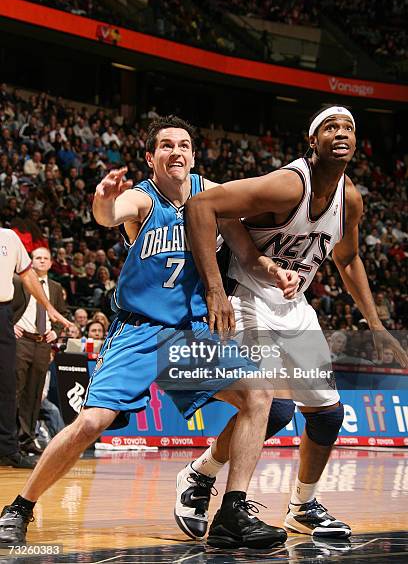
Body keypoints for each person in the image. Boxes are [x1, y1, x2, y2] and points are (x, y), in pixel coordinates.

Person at [0, 116, 298, 548]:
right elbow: (110, 214)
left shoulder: (211, 195)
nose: (175, 152)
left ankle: (231, 511)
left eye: (183, 145)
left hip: (189, 334)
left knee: (259, 395)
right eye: (165, 146)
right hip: (139, 332)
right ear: (150, 157)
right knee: (91, 423)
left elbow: (246, 253)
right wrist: (103, 200)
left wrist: (275, 270)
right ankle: (19, 509)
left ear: (193, 155)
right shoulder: (142, 198)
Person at [182, 105, 407, 539]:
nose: (340, 132)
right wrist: (213, 288)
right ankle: (203, 476)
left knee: (327, 415)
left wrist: (375, 324)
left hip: (293, 301)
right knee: (274, 407)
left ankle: (302, 507)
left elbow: (349, 258)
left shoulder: (351, 199)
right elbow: (201, 204)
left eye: (348, 127)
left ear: (356, 142)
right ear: (313, 141)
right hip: (244, 292)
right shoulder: (288, 184)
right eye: (330, 126)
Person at [0, 228, 70, 473]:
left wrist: (49, 308)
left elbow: (27, 275)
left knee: (8, 386)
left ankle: (9, 449)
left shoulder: (9, 237)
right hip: (18, 329)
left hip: (3, 313)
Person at [13, 247, 67, 455]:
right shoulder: (19, 282)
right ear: (30, 261)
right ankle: (9, 442)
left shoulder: (54, 287)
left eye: (45, 258)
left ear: (51, 263)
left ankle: (26, 440)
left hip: (43, 344)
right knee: (15, 391)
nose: (42, 261)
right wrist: (10, 325)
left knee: (34, 394)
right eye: (37, 258)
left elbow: (62, 313)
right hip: (22, 340)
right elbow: (6, 306)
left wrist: (56, 330)